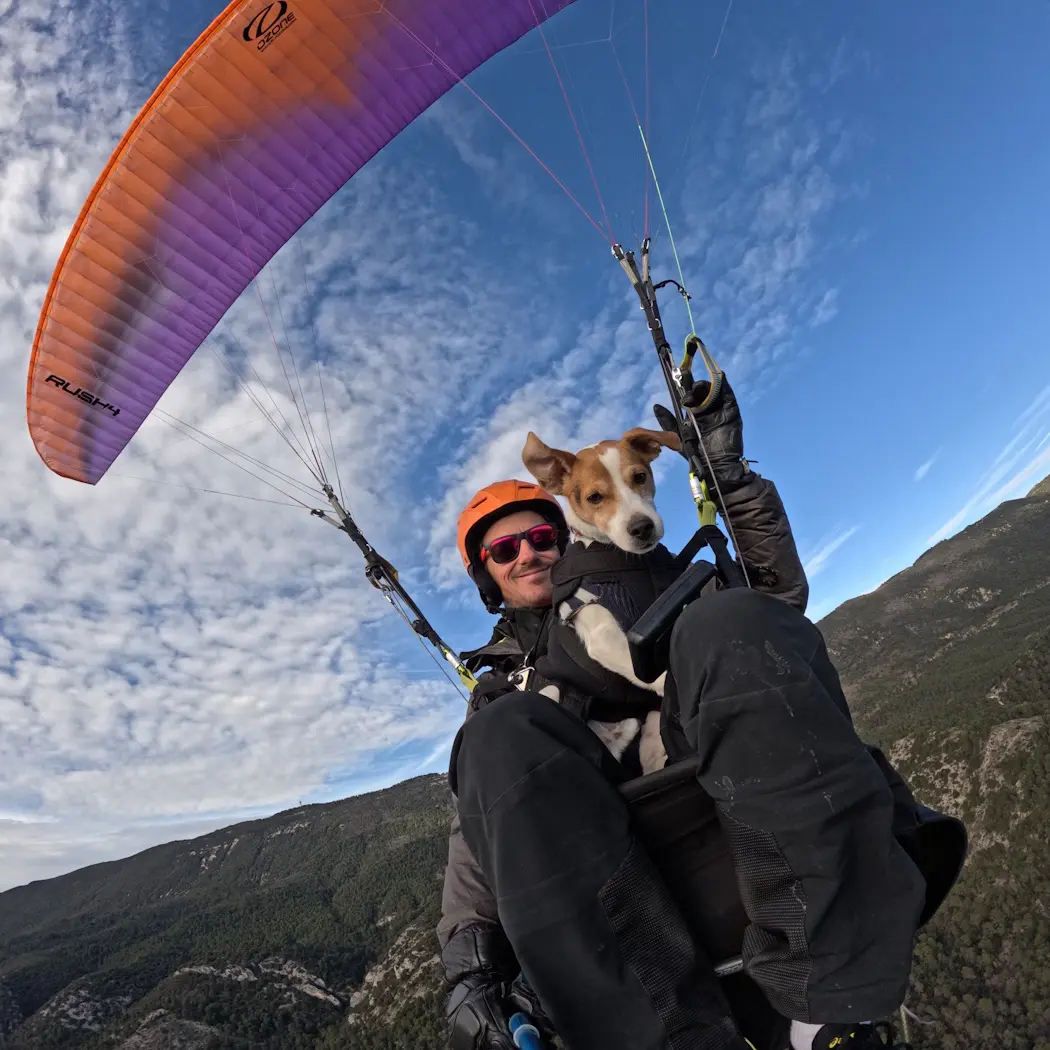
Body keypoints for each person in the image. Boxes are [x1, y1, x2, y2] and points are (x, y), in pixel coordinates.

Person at [436, 380, 961, 1050]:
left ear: (565, 529)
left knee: (730, 616)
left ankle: (825, 1004)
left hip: (737, 813)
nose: (529, 554)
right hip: (619, 878)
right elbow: (482, 826)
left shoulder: (659, 577)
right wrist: (469, 961)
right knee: (495, 738)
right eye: (504, 551)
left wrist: (728, 475)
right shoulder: (504, 696)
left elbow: (773, 602)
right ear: (487, 577)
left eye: (539, 535)